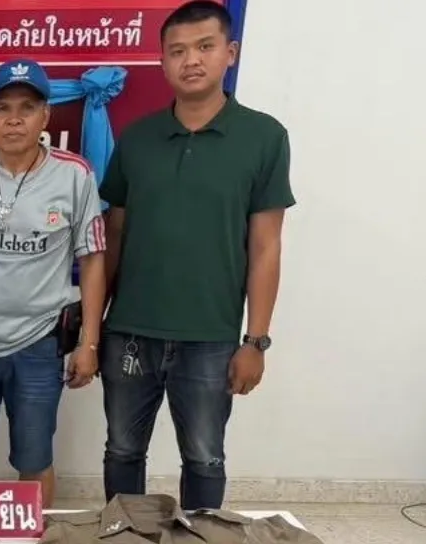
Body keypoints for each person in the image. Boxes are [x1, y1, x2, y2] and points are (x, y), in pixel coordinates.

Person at [99, 1, 294, 510]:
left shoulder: (263, 137)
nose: (191, 60)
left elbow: (266, 245)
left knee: (205, 456)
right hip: (131, 331)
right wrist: (94, 328)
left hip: (210, 336)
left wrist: (256, 340)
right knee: (122, 450)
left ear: (230, 53)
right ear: (162, 61)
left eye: (205, 47)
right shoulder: (137, 138)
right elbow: (114, 235)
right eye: (177, 51)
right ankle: (126, 543)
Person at [0, 59, 107, 508]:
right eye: (3, 108)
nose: (14, 119)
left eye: (27, 108)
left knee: (35, 458)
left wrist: (90, 343)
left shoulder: (75, 175)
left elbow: (93, 259)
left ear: (46, 116)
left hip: (38, 343)